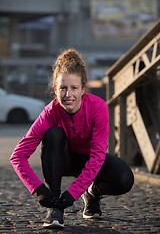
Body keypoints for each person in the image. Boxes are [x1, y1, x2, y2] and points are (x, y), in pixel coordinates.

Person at [10, 49, 134, 229]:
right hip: (62, 160)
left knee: (124, 179)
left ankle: (92, 193)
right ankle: (54, 208)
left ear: (84, 88)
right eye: (63, 88)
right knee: (53, 134)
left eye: (74, 88)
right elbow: (18, 156)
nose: (69, 95)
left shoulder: (98, 107)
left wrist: (73, 193)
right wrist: (38, 189)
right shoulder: (50, 113)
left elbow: (98, 156)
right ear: (55, 89)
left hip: (90, 159)